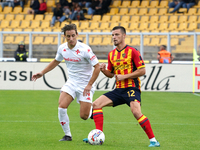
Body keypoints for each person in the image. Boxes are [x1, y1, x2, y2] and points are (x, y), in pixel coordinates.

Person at [83, 26, 160, 147]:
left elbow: (142, 71)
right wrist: (104, 71)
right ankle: (98, 135)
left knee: (136, 112)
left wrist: (125, 76)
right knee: (96, 104)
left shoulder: (132, 51)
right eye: (112, 35)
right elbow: (111, 74)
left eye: (117, 34)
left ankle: (153, 140)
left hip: (131, 88)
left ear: (124, 36)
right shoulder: (111, 54)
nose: (114, 37)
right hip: (119, 90)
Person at [31, 24, 100, 141]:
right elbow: (55, 61)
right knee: (61, 107)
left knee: (83, 116)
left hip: (85, 85)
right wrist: (42, 72)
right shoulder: (62, 48)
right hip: (72, 83)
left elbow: (97, 67)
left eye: (73, 35)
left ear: (77, 34)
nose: (71, 38)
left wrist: (89, 85)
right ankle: (67, 135)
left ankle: (92, 111)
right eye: (68, 36)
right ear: (65, 36)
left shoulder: (85, 49)